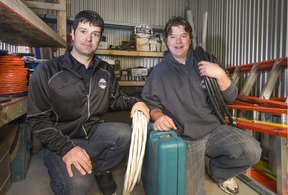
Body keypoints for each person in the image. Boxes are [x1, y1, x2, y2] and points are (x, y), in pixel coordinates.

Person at [26, 10, 150, 195]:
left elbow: (115, 99)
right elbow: (37, 120)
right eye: (83, 31)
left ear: (99, 38)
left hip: (91, 132)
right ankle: (66, 176)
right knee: (79, 185)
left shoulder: (105, 70)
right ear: (73, 34)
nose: (88, 38)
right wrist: (66, 148)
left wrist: (136, 102)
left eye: (95, 34)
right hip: (59, 140)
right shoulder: (46, 71)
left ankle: (102, 170)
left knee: (125, 134)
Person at [141, 16, 262, 195]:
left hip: (214, 129)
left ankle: (219, 171)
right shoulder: (159, 73)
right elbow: (150, 103)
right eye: (173, 37)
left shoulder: (206, 60)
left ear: (190, 38)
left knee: (252, 151)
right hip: (186, 137)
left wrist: (221, 75)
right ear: (166, 41)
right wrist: (158, 116)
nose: (179, 41)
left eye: (183, 35)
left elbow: (231, 97)